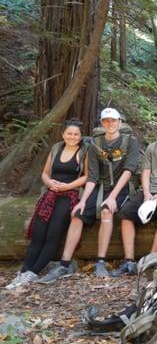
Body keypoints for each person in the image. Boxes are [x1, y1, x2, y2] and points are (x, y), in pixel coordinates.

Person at [40, 108, 140, 282]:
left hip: (121, 187)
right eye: (106, 121)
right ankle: (64, 264)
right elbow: (92, 176)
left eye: (114, 121)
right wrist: (83, 201)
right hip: (100, 186)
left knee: (107, 210)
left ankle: (100, 261)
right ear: (102, 123)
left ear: (120, 122)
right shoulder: (95, 144)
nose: (110, 124)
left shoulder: (130, 142)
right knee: (78, 214)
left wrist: (112, 197)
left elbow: (128, 170)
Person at [5, 120, 89, 289]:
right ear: (63, 134)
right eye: (69, 133)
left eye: (76, 134)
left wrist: (67, 186)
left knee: (52, 235)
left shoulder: (83, 152)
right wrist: (49, 183)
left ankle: (32, 273)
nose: (72, 137)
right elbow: (44, 173)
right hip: (50, 194)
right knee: (38, 234)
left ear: (80, 137)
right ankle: (23, 272)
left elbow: (86, 176)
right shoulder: (56, 149)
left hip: (69, 196)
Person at [111, 113, 157, 277]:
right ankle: (129, 260)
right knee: (126, 214)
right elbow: (146, 171)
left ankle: (150, 260)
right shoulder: (152, 147)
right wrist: (146, 193)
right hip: (150, 189)